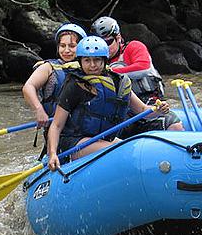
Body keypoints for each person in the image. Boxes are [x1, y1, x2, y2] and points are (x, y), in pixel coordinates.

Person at [46, 36, 171, 171]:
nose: (92, 65)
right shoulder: (74, 85)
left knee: (133, 149)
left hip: (102, 139)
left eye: (97, 60)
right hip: (74, 142)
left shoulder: (119, 82)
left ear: (104, 61)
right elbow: (56, 125)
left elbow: (142, 110)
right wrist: (52, 153)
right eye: (87, 60)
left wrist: (158, 110)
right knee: (119, 150)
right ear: (80, 61)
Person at [90, 16, 184, 136]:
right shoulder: (93, 62)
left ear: (118, 38)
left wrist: (112, 71)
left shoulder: (133, 47)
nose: (105, 47)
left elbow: (144, 68)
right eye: (100, 43)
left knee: (174, 126)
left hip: (149, 100)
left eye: (108, 42)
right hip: (122, 108)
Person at [22, 23, 87, 128]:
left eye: (72, 46)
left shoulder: (88, 68)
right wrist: (39, 109)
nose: (66, 50)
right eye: (62, 46)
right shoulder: (48, 67)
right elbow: (28, 87)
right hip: (56, 130)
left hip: (82, 129)